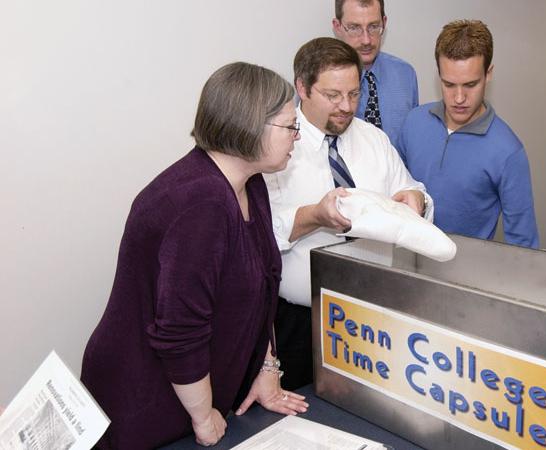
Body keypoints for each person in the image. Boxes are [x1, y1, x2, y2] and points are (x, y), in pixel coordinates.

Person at [81, 62, 309, 449]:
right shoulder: (199, 204)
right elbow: (179, 332)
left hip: (196, 393)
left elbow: (265, 286)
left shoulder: (250, 184)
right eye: (290, 126)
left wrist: (267, 367)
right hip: (144, 402)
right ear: (251, 126)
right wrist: (203, 416)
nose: (297, 137)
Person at [265, 37, 432, 390]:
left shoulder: (373, 139)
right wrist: (314, 216)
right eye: (333, 95)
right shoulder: (274, 145)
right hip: (300, 321)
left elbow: (414, 190)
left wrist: (416, 200)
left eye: (354, 94)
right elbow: (260, 233)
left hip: (372, 316)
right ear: (303, 88)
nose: (346, 106)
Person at [397, 20, 540, 248]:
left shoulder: (508, 151)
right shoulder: (414, 122)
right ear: (439, 75)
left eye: (470, 84)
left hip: (466, 274)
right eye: (449, 84)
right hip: (406, 265)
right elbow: (394, 189)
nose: (459, 98)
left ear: (488, 74)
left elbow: (523, 245)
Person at [333, 0, 418, 148]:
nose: (366, 40)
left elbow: (412, 140)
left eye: (373, 27)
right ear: (337, 27)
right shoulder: (317, 80)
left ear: (384, 23)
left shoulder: (405, 75)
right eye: (354, 28)